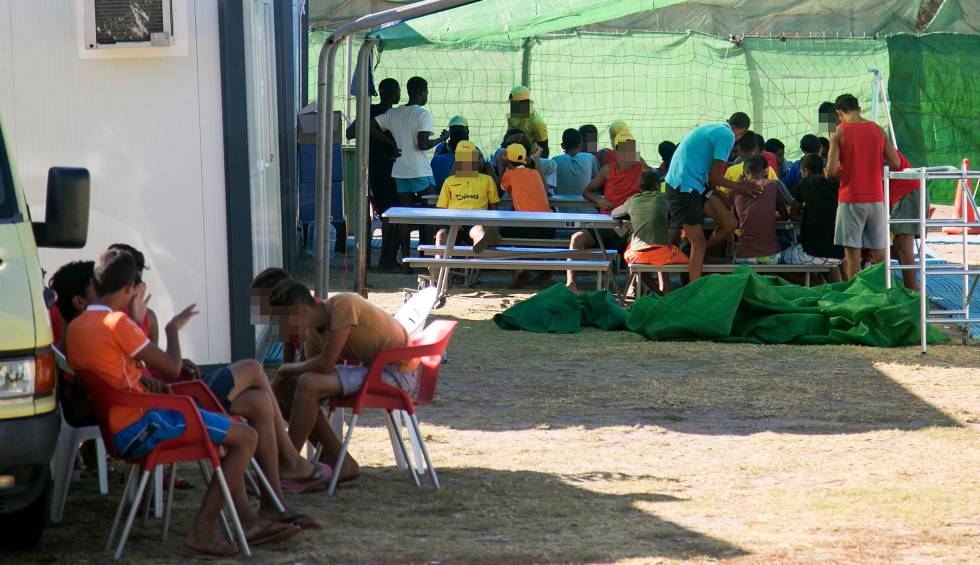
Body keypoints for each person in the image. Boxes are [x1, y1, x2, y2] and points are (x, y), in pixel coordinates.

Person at [66, 249, 301, 558]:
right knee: (246, 437)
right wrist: (172, 329)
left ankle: (249, 520)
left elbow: (113, 371)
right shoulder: (116, 324)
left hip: (121, 429)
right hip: (143, 425)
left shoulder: (76, 327)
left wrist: (140, 358)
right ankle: (204, 530)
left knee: (232, 432)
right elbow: (172, 366)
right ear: (128, 288)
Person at [269, 282, 421, 454]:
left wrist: (286, 370)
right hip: (374, 370)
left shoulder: (343, 305)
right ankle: (333, 459)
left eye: (284, 321)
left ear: (303, 311)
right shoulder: (312, 333)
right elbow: (313, 371)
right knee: (295, 387)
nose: (283, 328)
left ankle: (289, 461)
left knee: (308, 384)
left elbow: (325, 364)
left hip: (399, 372)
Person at [664, 112, 760, 280]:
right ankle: (695, 288)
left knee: (730, 224)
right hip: (684, 188)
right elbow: (716, 177)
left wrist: (721, 193)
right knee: (698, 243)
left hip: (695, 186)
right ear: (742, 132)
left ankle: (696, 255)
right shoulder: (727, 136)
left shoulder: (714, 127)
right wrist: (741, 187)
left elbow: (711, 180)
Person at [824, 93, 901, 279]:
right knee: (880, 253)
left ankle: (855, 297)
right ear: (858, 108)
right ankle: (886, 292)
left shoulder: (838, 132)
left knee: (852, 256)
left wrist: (842, 170)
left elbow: (830, 170)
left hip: (851, 199)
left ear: (839, 112)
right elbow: (896, 163)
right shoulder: (878, 130)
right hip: (876, 199)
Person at [374, 76, 448, 263]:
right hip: (419, 171)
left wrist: (391, 142)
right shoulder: (423, 114)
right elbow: (422, 144)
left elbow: (371, 125)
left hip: (400, 171)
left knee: (405, 216)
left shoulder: (395, 113)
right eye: (426, 91)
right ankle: (427, 259)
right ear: (422, 92)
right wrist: (442, 139)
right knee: (429, 214)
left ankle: (406, 261)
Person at [566, 132, 650, 291]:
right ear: (617, 151)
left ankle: (633, 285)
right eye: (626, 149)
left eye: (632, 149)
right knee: (577, 238)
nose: (630, 153)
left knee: (638, 243)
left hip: (629, 225)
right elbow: (587, 191)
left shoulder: (643, 170)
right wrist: (599, 201)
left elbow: (656, 188)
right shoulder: (608, 170)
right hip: (606, 224)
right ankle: (571, 283)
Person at [347, 78, 402, 271]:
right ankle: (385, 261)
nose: (399, 94)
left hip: (373, 168)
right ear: (390, 93)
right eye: (397, 91)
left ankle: (377, 260)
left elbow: (350, 132)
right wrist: (390, 142)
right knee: (390, 213)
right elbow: (351, 132)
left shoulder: (379, 111)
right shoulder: (387, 113)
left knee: (383, 214)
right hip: (385, 169)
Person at [613, 171, 688, 294]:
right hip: (663, 253)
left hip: (637, 255)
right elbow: (680, 213)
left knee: (638, 262)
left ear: (639, 187)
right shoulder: (664, 198)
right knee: (680, 253)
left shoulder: (633, 200)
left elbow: (615, 214)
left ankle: (657, 292)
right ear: (658, 185)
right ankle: (665, 292)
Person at [782, 154, 843, 280]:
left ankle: (816, 286)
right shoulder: (836, 184)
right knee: (830, 263)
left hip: (812, 253)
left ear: (805, 172)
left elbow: (793, 215)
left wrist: (808, 217)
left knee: (780, 260)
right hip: (838, 253)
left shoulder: (803, 184)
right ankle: (837, 290)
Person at [434, 140, 501, 254]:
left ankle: (480, 242)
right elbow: (442, 208)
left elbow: (493, 206)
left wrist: (495, 226)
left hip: (477, 220)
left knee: (477, 230)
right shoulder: (450, 181)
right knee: (441, 234)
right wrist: (448, 222)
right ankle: (438, 264)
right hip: (454, 222)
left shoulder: (486, 179)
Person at [731, 156, 790, 265]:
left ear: (744, 173)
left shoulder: (736, 191)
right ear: (763, 172)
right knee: (786, 243)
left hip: (744, 257)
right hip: (771, 256)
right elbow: (785, 215)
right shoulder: (772, 185)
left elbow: (736, 219)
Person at [888, 150, 923, 290]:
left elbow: (894, 163)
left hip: (906, 193)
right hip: (907, 192)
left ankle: (912, 293)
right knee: (898, 247)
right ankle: (910, 291)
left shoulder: (875, 139)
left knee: (903, 247)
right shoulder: (875, 136)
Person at [551, 128, 599, 198]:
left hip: (561, 207)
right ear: (581, 144)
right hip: (587, 207)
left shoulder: (554, 161)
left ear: (562, 146)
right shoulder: (590, 158)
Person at [507, 86, 549, 157]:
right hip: (514, 152)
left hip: (530, 157)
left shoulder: (537, 122)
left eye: (515, 103)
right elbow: (509, 136)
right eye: (512, 102)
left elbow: (544, 150)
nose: (512, 105)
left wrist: (535, 165)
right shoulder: (512, 114)